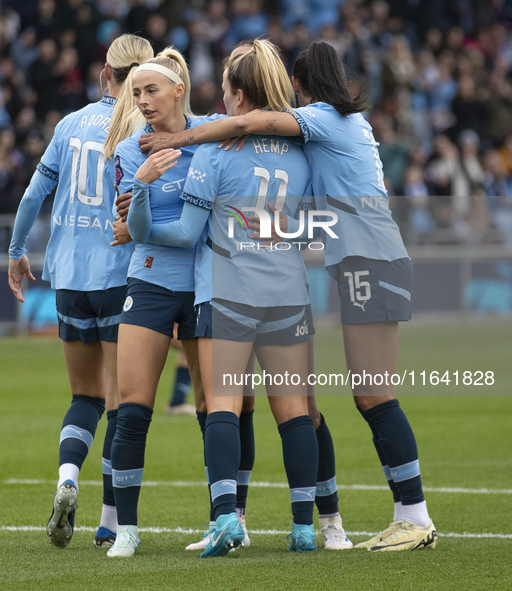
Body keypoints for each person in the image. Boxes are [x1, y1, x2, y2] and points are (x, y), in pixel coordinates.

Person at [140, 40, 437, 552]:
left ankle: (414, 515)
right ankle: (336, 520)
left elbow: (243, 124)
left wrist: (184, 136)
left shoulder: (319, 119)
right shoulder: (345, 125)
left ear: (299, 85)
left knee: (373, 394)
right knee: (323, 404)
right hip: (360, 258)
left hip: (367, 259)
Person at [126, 39, 324, 557]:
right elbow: (313, 227)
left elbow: (184, 234)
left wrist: (141, 210)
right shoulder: (304, 148)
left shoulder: (214, 151)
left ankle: (225, 520)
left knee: (223, 407)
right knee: (294, 412)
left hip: (228, 294)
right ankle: (304, 526)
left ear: (235, 95)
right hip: (287, 293)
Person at [7, 34, 154, 549]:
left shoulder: (69, 126)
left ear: (103, 76)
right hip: (120, 276)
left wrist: (15, 250)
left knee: (83, 397)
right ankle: (111, 522)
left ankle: (68, 477)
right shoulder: (146, 126)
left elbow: (33, 193)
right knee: (120, 403)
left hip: (68, 278)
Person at [104, 47, 226, 559]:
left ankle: (226, 519)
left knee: (216, 410)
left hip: (208, 286)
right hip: (151, 283)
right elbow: (133, 232)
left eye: (151, 90)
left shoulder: (213, 138)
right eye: (135, 93)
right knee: (133, 408)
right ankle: (126, 529)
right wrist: (142, 182)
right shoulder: (132, 152)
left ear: (179, 89)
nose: (143, 101)